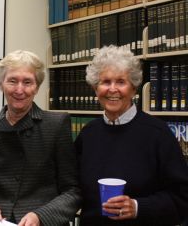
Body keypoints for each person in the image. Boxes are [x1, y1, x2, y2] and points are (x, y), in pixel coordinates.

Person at [75, 45, 188, 225]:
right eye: (105, 82)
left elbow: (182, 198)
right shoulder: (88, 134)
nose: (112, 89)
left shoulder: (158, 134)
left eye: (121, 82)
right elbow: (75, 190)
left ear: (134, 89)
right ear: (96, 89)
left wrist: (138, 207)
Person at [0, 50, 81, 225]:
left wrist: (41, 216)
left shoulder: (56, 125)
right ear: (1, 84)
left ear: (37, 87)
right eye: (12, 81)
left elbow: (72, 191)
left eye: (27, 82)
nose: (19, 89)